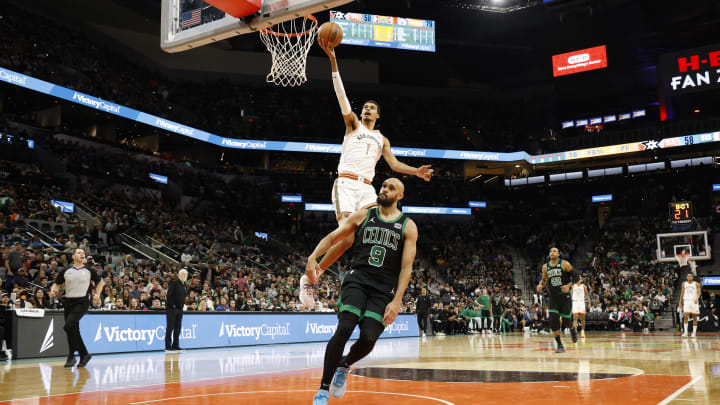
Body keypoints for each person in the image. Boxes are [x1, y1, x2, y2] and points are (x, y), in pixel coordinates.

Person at [302, 40, 433, 295]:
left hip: (368, 190)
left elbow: (393, 164)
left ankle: (316, 276)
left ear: (378, 115)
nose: (367, 109)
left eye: (372, 108)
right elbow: (341, 95)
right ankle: (310, 277)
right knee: (346, 236)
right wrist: (332, 60)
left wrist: (415, 171)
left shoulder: (381, 139)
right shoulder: (353, 125)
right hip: (347, 184)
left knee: (357, 237)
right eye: (365, 107)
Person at [305, 178, 418, 405]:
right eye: (383, 186)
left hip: (383, 290)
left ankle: (344, 366)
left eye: (391, 188)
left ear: (400, 196)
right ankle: (323, 390)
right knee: (345, 327)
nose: (384, 189)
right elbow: (333, 237)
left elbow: (406, 268)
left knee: (368, 338)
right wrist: (312, 257)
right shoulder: (364, 215)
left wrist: (397, 301)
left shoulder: (408, 226)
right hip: (357, 280)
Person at [50, 248, 103, 367]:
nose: (82, 254)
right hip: (68, 302)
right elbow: (57, 283)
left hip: (82, 302)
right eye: (79, 253)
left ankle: (76, 355)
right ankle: (78, 356)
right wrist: (53, 290)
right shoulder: (66, 270)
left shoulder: (89, 270)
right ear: (73, 256)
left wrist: (97, 295)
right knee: (72, 329)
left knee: (69, 326)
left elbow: (100, 283)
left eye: (83, 253)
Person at [536, 247, 579, 353]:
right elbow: (545, 280)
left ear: (559, 254)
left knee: (566, 321)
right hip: (553, 297)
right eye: (550, 251)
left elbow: (576, 276)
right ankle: (560, 345)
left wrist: (569, 285)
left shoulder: (565, 264)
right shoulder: (545, 267)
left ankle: (572, 329)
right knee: (553, 320)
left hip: (565, 297)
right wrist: (541, 285)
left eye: (554, 251)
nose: (552, 252)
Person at [166, 269, 188, 351]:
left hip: (180, 309)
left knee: (178, 328)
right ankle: (168, 346)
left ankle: (175, 345)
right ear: (179, 274)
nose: (184, 275)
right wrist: (173, 306)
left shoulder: (184, 285)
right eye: (182, 273)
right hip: (172, 309)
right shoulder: (174, 283)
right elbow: (169, 295)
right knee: (170, 327)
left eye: (185, 274)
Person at [679, 272, 701, 338]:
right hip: (686, 301)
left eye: (690, 276)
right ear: (686, 277)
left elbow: (699, 292)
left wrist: (697, 298)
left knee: (694, 317)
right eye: (688, 276)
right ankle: (685, 332)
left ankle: (694, 333)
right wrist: (680, 301)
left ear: (692, 277)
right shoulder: (684, 284)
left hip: (694, 301)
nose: (689, 277)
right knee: (686, 317)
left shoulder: (696, 284)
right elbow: (682, 293)